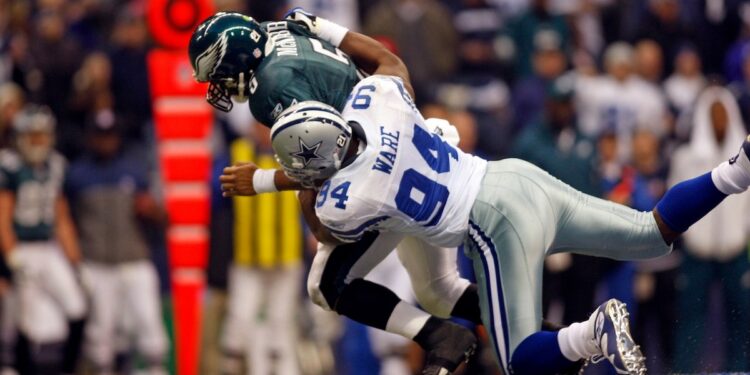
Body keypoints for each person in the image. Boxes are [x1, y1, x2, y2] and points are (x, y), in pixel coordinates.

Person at [228, 70, 750, 374]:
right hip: (513, 175)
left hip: (492, 219)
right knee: (649, 232)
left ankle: (592, 332)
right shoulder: (376, 99)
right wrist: (323, 30)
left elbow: (323, 226)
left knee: (521, 360)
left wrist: (270, 182)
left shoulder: (344, 200)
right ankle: (735, 172)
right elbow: (385, 63)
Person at [190, 11, 484, 374]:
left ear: (235, 58)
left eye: (215, 73)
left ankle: (441, 336)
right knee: (441, 290)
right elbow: (387, 62)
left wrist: (261, 181)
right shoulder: (280, 31)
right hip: (415, 145)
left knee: (326, 285)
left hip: (377, 176)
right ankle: (539, 332)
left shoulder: (270, 90)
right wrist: (332, 30)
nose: (215, 86)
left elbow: (322, 160)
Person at [65, 113, 168, 375]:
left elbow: (164, 218)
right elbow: (66, 219)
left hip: (134, 259)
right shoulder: (77, 174)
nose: (105, 142)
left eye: (110, 136)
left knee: (148, 324)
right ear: (91, 138)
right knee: (101, 332)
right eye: (100, 136)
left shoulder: (134, 169)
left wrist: (150, 210)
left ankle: (155, 369)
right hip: (97, 261)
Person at [0, 106, 86, 374]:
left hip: (48, 248)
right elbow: (2, 216)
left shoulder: (56, 165)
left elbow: (62, 217)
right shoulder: (10, 166)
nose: (37, 142)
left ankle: (69, 367)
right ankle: (14, 365)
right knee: (21, 316)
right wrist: (10, 255)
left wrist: (76, 260)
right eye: (32, 136)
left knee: (77, 307)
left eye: (41, 135)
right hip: (21, 249)